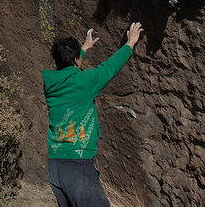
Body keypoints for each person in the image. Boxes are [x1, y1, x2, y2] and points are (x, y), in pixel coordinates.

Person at [43, 23, 144, 206]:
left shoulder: (50, 83)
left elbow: (67, 69)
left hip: (55, 166)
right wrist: (130, 43)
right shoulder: (85, 82)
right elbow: (109, 67)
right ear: (75, 59)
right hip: (77, 164)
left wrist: (82, 50)